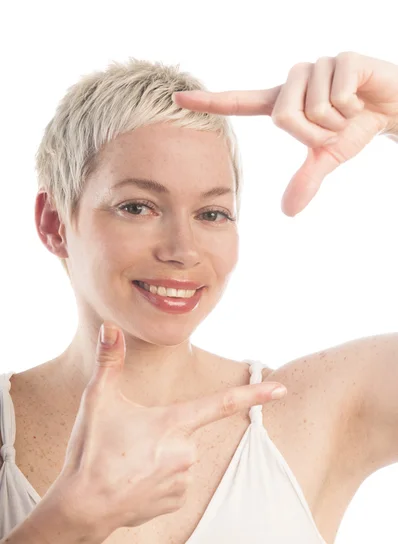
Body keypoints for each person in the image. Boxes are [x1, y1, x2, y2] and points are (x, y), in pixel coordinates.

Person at [0, 51, 397, 544]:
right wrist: (70, 520)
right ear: (55, 223)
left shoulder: (313, 410)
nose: (182, 250)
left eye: (212, 214)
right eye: (138, 206)